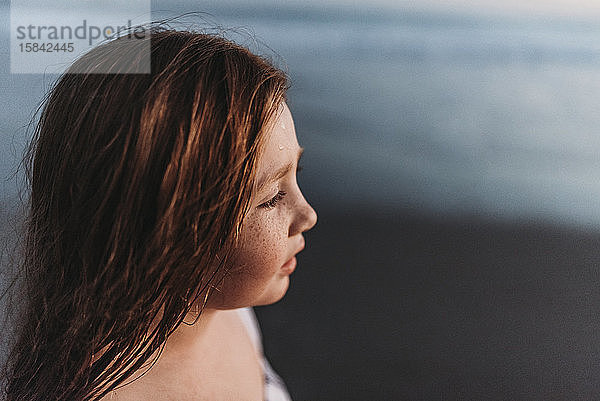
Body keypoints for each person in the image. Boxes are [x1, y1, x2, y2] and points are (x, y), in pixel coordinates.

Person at [0, 27, 317, 401]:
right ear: (161, 229)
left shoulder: (225, 310)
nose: (307, 214)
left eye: (295, 174)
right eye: (270, 198)